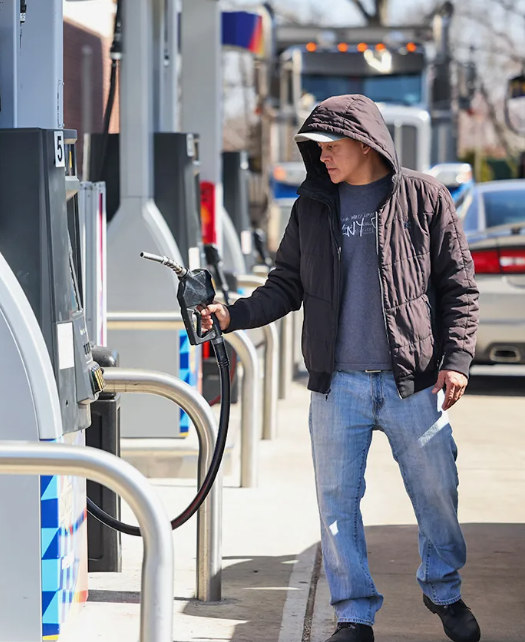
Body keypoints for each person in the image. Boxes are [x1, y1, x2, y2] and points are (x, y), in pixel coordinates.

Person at [201, 94, 480, 642]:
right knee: (336, 506)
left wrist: (458, 360)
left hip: (414, 381)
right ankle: (354, 615)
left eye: (330, 146)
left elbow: (458, 286)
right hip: (337, 385)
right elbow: (286, 285)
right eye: (316, 148)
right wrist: (232, 315)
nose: (321, 157)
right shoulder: (312, 207)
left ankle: (443, 588)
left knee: (437, 492)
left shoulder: (423, 197)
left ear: (365, 141)